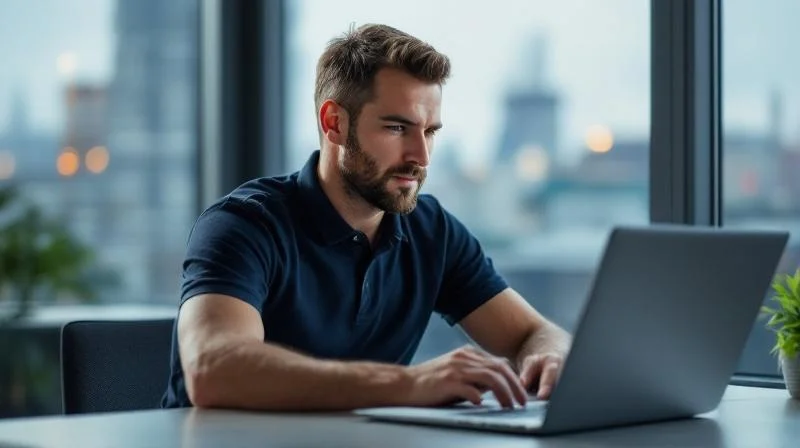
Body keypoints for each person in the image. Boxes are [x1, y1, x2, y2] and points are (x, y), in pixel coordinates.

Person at [162, 23, 571, 412]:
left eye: (430, 132)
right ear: (334, 123)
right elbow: (212, 369)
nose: (421, 157)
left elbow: (533, 333)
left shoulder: (432, 231)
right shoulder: (243, 225)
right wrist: (409, 385)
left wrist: (550, 357)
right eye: (397, 128)